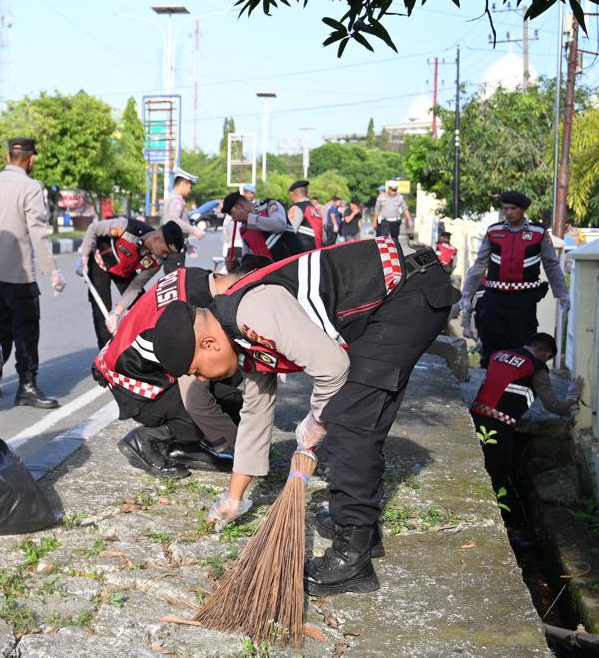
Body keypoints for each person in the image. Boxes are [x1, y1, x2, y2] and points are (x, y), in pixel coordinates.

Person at [145, 237, 458, 596]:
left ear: (209, 344)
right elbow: (256, 412)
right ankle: (360, 528)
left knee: (350, 418)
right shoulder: (238, 333)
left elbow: (332, 369)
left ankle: (352, 557)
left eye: (197, 370)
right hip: (400, 292)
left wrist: (316, 422)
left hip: (410, 287)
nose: (202, 380)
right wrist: (234, 497)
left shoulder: (252, 313)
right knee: (357, 412)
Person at [92, 267, 235, 478]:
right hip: (132, 381)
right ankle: (145, 439)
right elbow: (196, 400)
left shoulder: (195, 276)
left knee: (225, 376)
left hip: (124, 359)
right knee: (219, 394)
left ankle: (187, 446)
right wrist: (237, 444)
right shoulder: (193, 316)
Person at [0, 137, 65, 409]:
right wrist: (52, 271)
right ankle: (26, 386)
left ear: (8, 156)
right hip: (20, 275)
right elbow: (38, 232)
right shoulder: (31, 187)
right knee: (26, 331)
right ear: (31, 159)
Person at [469, 333, 582, 524]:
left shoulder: (499, 355)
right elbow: (553, 406)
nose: (546, 361)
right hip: (499, 428)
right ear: (545, 353)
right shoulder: (536, 367)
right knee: (498, 474)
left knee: (475, 466)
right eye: (548, 358)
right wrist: (572, 397)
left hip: (474, 417)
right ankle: (487, 519)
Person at [461, 191, 569, 368]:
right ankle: (490, 377)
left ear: (523, 209)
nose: (509, 212)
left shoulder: (538, 232)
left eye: (513, 208)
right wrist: (467, 293)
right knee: (490, 341)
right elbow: (480, 264)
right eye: (505, 209)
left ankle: (517, 380)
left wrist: (562, 294)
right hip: (495, 296)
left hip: (523, 299)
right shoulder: (494, 231)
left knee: (521, 345)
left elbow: (551, 264)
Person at [76, 216, 183, 348]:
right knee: (102, 312)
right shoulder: (125, 228)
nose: (165, 256)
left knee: (142, 306)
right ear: (156, 239)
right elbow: (94, 228)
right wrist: (84, 258)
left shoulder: (156, 261)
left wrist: (116, 313)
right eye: (165, 251)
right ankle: (106, 352)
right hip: (100, 262)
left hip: (124, 270)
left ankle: (140, 347)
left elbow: (135, 287)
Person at [221, 190, 304, 273]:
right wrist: (236, 265)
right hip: (273, 274)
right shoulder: (243, 228)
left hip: (294, 266)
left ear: (240, 205)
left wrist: (248, 217)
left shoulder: (270, 205)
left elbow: (280, 225)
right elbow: (248, 258)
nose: (233, 218)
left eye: (232, 213)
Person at [163, 167, 205, 266]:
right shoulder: (176, 200)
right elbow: (174, 220)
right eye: (190, 187)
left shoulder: (174, 198)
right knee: (176, 272)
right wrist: (193, 230)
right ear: (183, 184)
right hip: (174, 244)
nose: (190, 190)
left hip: (173, 243)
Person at [286, 179, 323, 251]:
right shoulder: (316, 210)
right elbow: (324, 238)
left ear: (292, 194)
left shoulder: (297, 208)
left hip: (303, 252)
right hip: (318, 251)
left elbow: (289, 232)